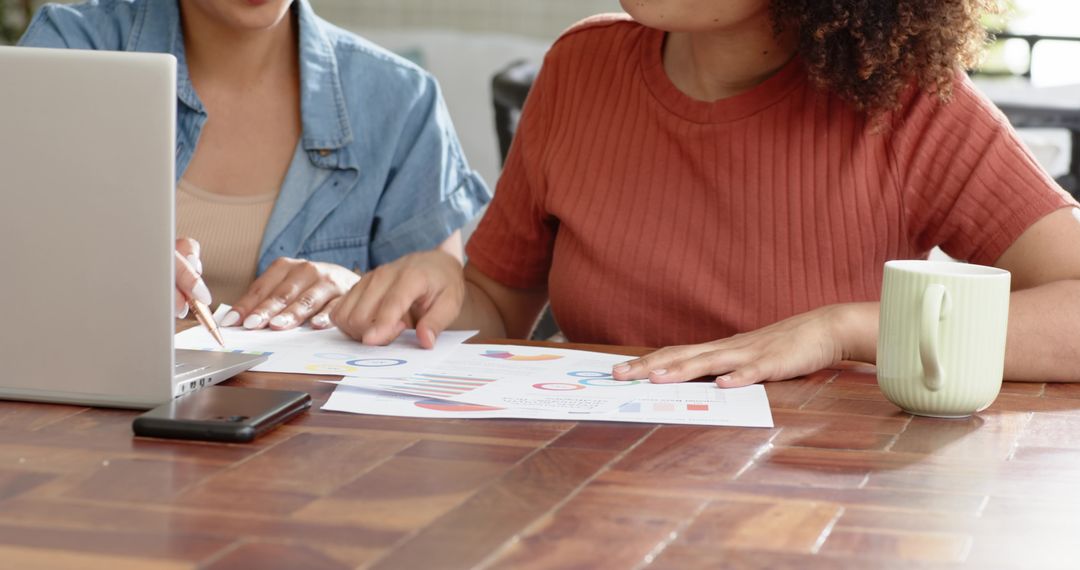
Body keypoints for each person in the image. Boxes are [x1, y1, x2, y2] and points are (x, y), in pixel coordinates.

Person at [330, 0, 1080, 385]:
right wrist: (443, 284)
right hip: (588, 507)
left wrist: (844, 330)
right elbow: (500, 305)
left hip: (814, 520)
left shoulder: (909, 105)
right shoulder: (578, 69)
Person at [19, 0, 489, 328]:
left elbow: (447, 320)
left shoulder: (401, 99)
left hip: (311, 449)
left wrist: (356, 286)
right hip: (83, 425)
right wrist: (94, 259)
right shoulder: (70, 48)